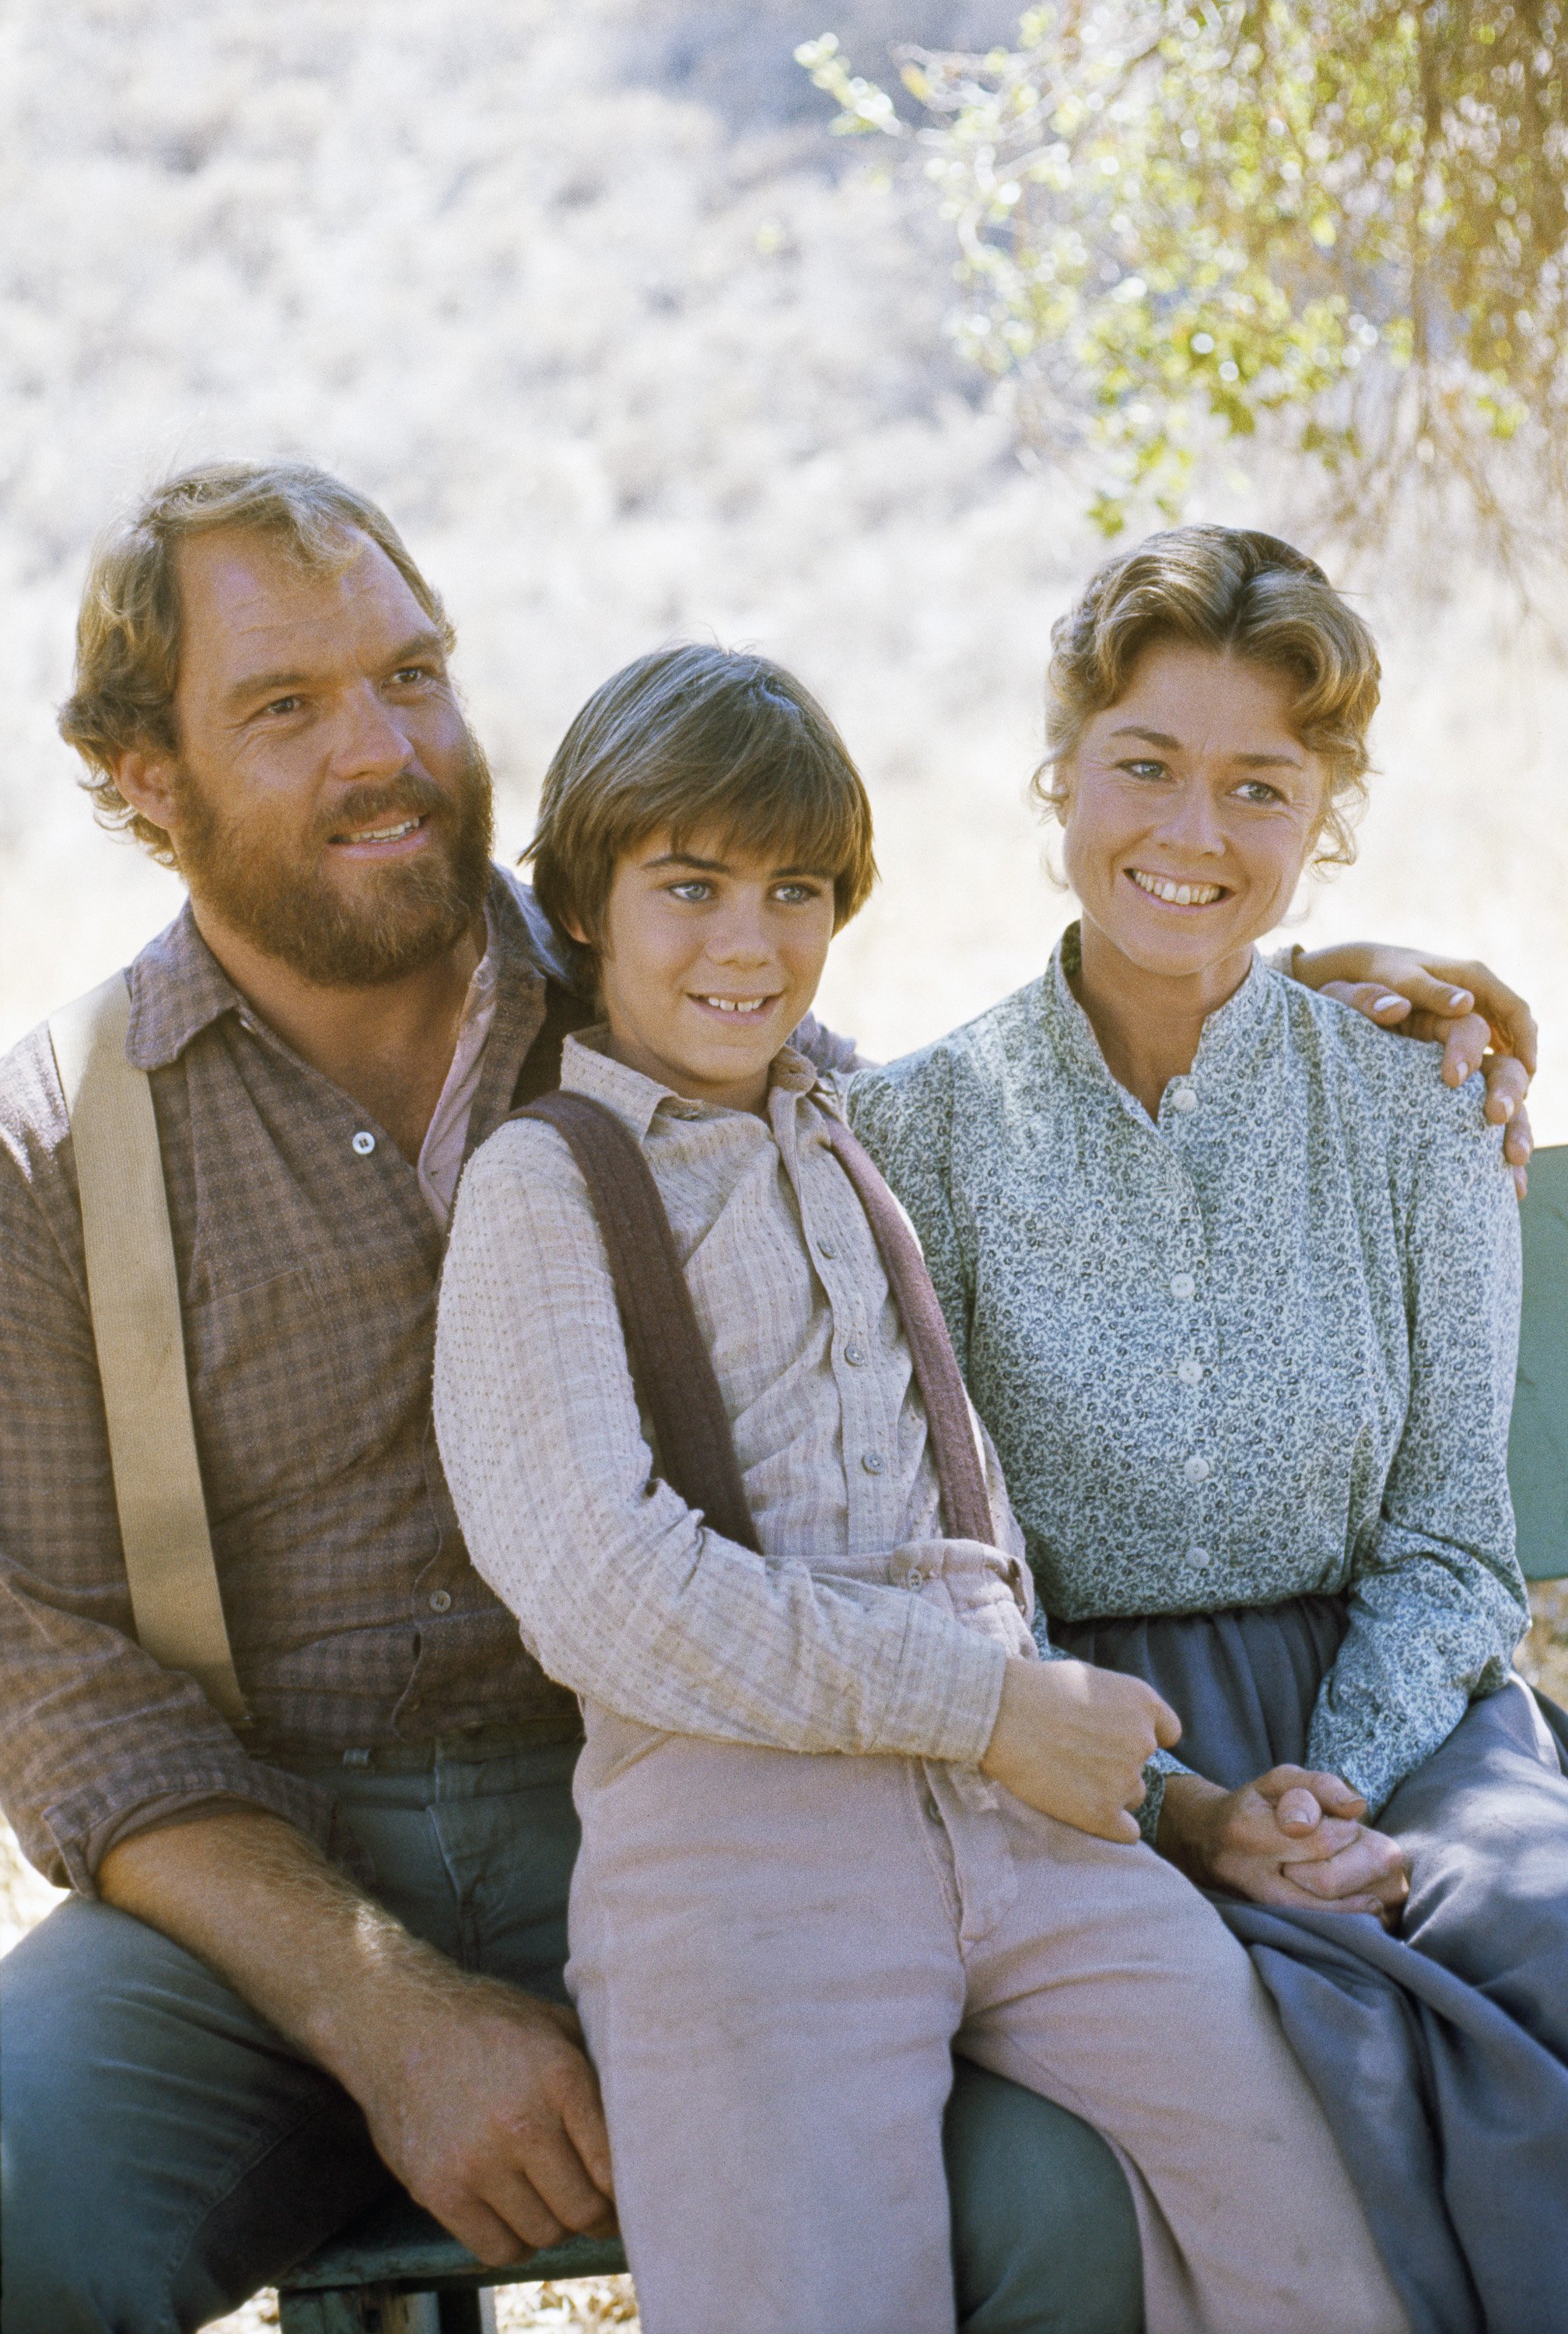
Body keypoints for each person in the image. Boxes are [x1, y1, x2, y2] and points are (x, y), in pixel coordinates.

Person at [0, 460, 1530, 2334]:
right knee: (18, 2198)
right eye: (286, 705)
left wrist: (1275, 990)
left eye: (414, 674)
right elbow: (49, 1670)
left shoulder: (709, 1023)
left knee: (1072, 2209)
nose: (384, 745)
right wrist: (375, 2002)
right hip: (283, 1863)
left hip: (777, 1778)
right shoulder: (63, 1145)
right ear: (142, 775)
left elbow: (1011, 1160)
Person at [432, 641, 1414, 2334]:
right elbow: (603, 1584)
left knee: (1315, 2241)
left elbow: (1103, 1068)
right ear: (584, 903)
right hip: (746, 1857)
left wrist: (1175, 1806)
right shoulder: (545, 1187)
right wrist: (983, 1710)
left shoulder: (853, 1128)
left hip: (1032, 1827)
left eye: (796, 890)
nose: (750, 943)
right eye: (691, 887)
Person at [848, 525, 1568, 2328]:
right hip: (1084, 1754)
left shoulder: (1419, 1107)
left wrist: (1329, 1783)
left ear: (1323, 818)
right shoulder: (920, 1136)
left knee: (1542, 1957)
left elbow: (1456, 1546)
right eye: (1146, 768)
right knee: (1259, 2061)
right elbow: (947, 1570)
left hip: (1407, 1715)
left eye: (1261, 788)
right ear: (1061, 773)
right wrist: (1189, 1808)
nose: (1191, 835)